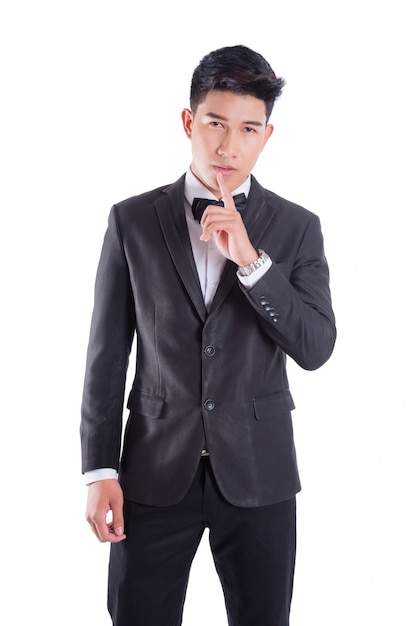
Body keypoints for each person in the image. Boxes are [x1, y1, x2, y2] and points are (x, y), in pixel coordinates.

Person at [81, 44, 336, 626]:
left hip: (260, 473)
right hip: (151, 473)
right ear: (188, 122)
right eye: (216, 123)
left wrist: (252, 262)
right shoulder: (132, 221)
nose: (229, 145)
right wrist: (99, 471)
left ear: (267, 137)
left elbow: (316, 347)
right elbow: (104, 358)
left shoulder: (298, 229)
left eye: (249, 128)